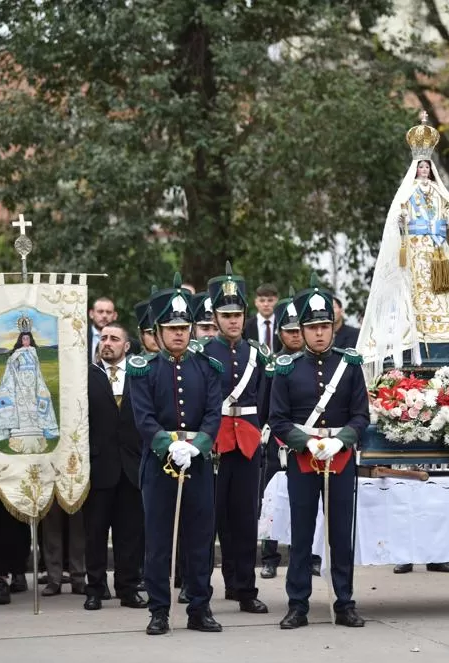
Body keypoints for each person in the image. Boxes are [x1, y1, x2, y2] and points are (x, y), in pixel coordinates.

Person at [269, 278, 370, 629]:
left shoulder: (350, 365)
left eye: (325, 326)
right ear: (303, 330)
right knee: (301, 533)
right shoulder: (286, 368)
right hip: (303, 458)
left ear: (333, 327)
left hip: (340, 459)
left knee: (341, 534)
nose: (319, 334)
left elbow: (361, 415)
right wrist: (308, 442)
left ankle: (344, 602)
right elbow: (278, 419)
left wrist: (341, 440)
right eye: (312, 328)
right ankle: (298, 604)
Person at [357, 111, 449, 375]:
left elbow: (447, 213)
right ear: (415, 168)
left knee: (441, 290)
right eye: (421, 166)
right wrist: (403, 218)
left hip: (437, 247)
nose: (425, 170)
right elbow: (398, 217)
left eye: (428, 166)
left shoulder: (439, 191)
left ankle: (446, 329)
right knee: (416, 287)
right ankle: (416, 327)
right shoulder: (408, 192)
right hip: (416, 247)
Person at [130, 274, 224, 635]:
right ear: (158, 331)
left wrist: (197, 445)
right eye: (171, 328)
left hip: (196, 465)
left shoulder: (206, 367)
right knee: (158, 542)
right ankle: (159, 611)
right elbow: (144, 418)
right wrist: (169, 445)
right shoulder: (144, 370)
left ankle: (200, 608)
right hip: (159, 466)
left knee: (200, 540)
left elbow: (213, 414)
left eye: (184, 327)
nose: (179, 334)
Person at [204, 264, 269, 614]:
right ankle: (199, 588)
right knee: (208, 521)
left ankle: (244, 588)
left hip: (246, 443)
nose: (233, 321)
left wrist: (261, 435)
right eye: (226, 315)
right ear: (215, 316)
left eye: (238, 314)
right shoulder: (203, 354)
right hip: (214, 445)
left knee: (245, 520)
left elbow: (266, 400)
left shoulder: (257, 355)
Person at [83, 323, 147, 611]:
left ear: (127, 346)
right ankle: (95, 589)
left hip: (133, 467)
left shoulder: (140, 375)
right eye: (103, 338)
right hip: (99, 467)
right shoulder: (86, 376)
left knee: (130, 533)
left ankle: (128, 588)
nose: (107, 343)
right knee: (95, 532)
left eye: (114, 339)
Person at [259, 293, 322, 579]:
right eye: (290, 331)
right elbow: (264, 406)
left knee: (307, 501)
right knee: (273, 499)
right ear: (280, 333)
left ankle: (309, 554)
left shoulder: (312, 363)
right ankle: (270, 556)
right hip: (277, 440)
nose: (296, 336)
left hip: (309, 441)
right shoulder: (271, 364)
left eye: (300, 330)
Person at [0, 325, 59, 453]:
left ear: (30, 340)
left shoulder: (34, 352)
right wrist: (13, 359)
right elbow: (11, 366)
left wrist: (40, 384)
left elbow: (37, 370)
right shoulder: (17, 353)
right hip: (20, 384)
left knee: (34, 403)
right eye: (24, 339)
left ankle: (35, 426)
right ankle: (21, 427)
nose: (26, 341)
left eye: (28, 339)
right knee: (22, 404)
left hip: (33, 384)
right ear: (21, 340)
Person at [245, 283, 281, 353]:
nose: (266, 304)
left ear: (276, 301)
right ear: (256, 302)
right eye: (262, 300)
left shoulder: (281, 324)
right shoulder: (246, 326)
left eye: (270, 300)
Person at [88, 297, 118, 362]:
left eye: (108, 312)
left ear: (115, 316)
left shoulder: (128, 343)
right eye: (100, 312)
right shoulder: (79, 338)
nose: (104, 316)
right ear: (91, 314)